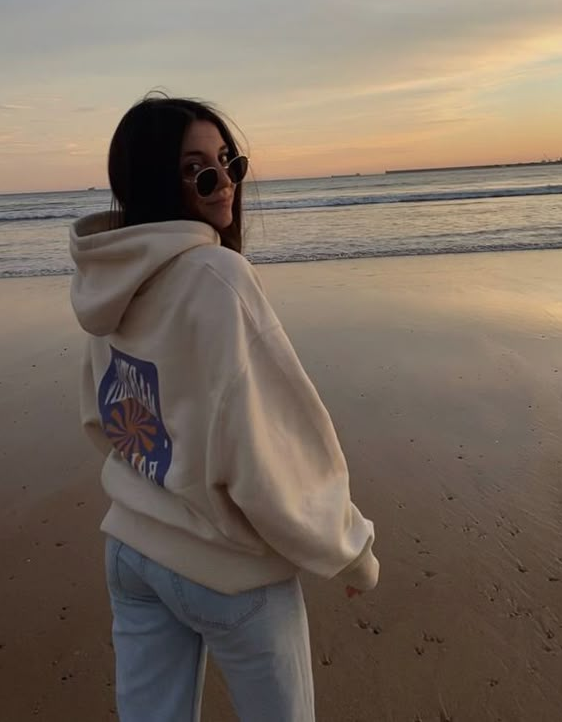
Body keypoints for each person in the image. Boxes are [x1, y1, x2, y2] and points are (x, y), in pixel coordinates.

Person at [69, 95, 379, 722]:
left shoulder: (109, 278)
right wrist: (347, 549)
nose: (224, 184)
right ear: (157, 181)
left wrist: (155, 484)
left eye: (228, 162)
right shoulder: (217, 279)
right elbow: (274, 452)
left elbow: (102, 415)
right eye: (197, 170)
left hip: (131, 552)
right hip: (227, 571)